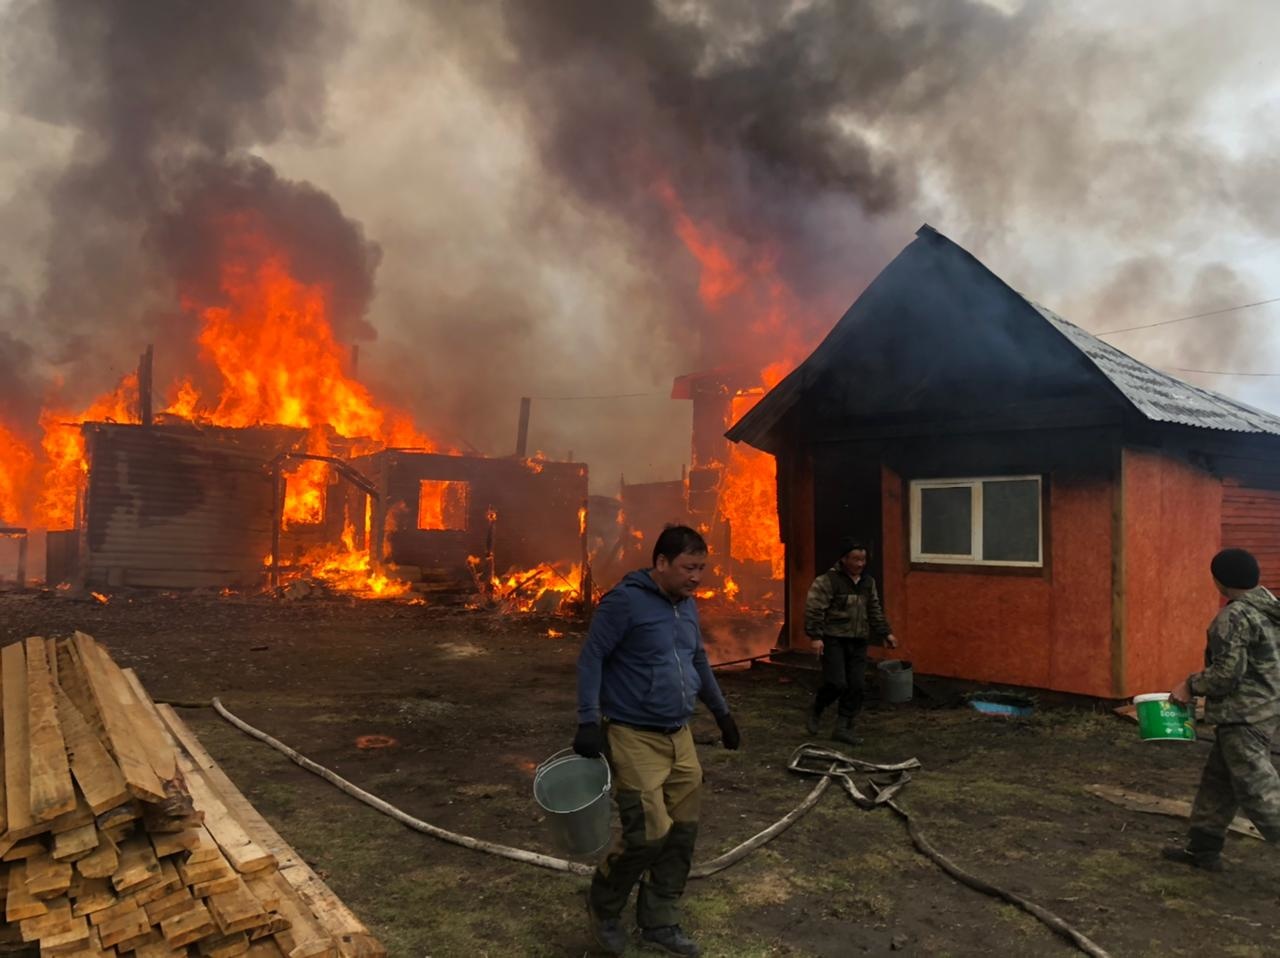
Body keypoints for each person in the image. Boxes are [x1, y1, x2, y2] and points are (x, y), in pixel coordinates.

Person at [573, 524, 740, 958]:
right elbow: (592, 656)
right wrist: (588, 721)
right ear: (661, 563)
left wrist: (722, 714)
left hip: (679, 734)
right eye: (689, 567)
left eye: (701, 568)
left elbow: (697, 659)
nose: (696, 577)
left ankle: (660, 921)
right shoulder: (624, 602)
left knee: (682, 833)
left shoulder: (687, 606)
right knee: (648, 833)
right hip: (632, 734)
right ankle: (604, 908)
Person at [1164, 547, 1280, 871]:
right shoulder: (1268, 607)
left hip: (1243, 715)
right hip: (1265, 709)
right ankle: (1203, 850)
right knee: (1219, 782)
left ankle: (1203, 849)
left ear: (1218, 581)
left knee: (1259, 791)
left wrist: (1190, 685)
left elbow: (1228, 673)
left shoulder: (1235, 616)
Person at [803, 537, 898, 745]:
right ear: (844, 559)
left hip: (858, 641)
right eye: (855, 559)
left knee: (856, 685)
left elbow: (874, 610)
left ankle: (842, 727)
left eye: (863, 560)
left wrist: (886, 633)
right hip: (834, 639)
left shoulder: (867, 582)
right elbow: (814, 609)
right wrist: (816, 637)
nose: (860, 564)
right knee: (836, 683)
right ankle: (817, 708)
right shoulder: (828, 581)